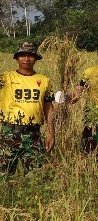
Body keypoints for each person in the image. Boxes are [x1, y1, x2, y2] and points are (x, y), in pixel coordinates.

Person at [0, 42, 55, 174]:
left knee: (35, 175)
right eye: (22, 55)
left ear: (36, 58)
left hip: (33, 134)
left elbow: (48, 108)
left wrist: (51, 133)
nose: (26, 59)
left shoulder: (43, 80)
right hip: (9, 132)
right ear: (17, 58)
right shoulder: (6, 78)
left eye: (30, 56)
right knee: (4, 175)